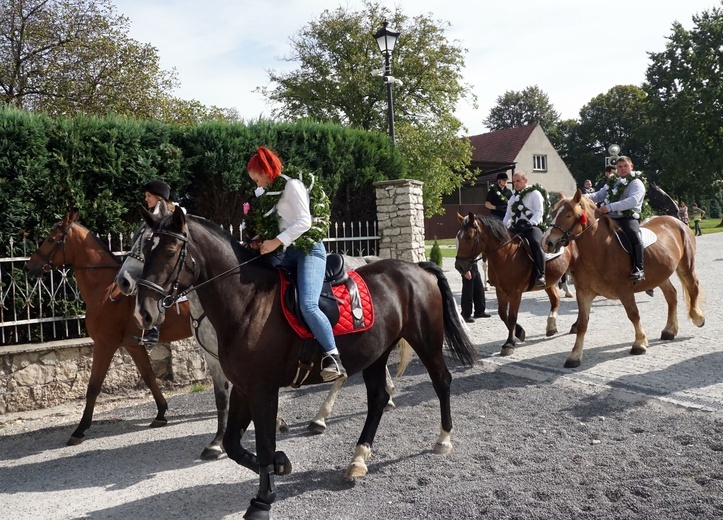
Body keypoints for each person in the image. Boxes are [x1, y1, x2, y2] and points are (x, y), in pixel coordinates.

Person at [247, 146, 346, 382]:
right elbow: (278, 227)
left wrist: (275, 242)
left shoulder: (292, 186)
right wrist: (260, 241)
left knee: (308, 304)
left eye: (256, 178)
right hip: (286, 252)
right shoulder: (269, 194)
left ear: (265, 171)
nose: (256, 184)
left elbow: (304, 222)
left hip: (309, 250)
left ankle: (333, 357)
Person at [586, 156, 646, 282]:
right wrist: (583, 197)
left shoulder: (636, 183)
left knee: (633, 234)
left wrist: (609, 207)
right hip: (610, 216)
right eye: (620, 167)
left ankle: (639, 268)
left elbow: (632, 201)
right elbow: (599, 195)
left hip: (627, 217)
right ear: (617, 169)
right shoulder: (613, 181)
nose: (623, 169)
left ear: (631, 166)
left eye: (625, 166)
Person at [134, 179, 174, 346]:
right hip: (148, 259)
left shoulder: (167, 216)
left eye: (148, 195)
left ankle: (153, 331)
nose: (146, 199)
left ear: (159, 198)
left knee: (154, 284)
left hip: (163, 264)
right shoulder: (151, 216)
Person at [503, 172, 547, 288]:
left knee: (535, 243)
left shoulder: (534, 193)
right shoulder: (513, 198)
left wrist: (529, 223)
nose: (515, 184)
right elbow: (508, 214)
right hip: (517, 226)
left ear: (525, 180)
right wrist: (502, 228)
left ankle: (541, 274)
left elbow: (539, 211)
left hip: (532, 225)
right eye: (514, 182)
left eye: (518, 181)